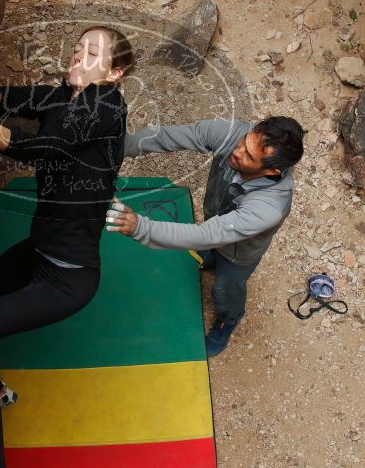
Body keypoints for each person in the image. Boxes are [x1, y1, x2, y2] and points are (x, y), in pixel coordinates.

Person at [0, 26, 134, 415]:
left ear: (113, 73)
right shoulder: (65, 97)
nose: (77, 56)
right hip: (39, 249)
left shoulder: (105, 106)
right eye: (76, 48)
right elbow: (8, 98)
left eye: (91, 52)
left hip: (67, 279)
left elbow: (46, 148)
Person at [106, 116, 304, 356]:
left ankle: (227, 320)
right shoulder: (231, 134)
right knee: (211, 246)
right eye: (244, 141)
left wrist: (140, 228)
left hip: (238, 253)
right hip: (217, 220)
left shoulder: (269, 208)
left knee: (226, 289)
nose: (238, 152)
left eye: (250, 157)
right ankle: (210, 258)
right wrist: (112, 148)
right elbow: (168, 137)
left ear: (273, 171)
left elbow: (206, 234)